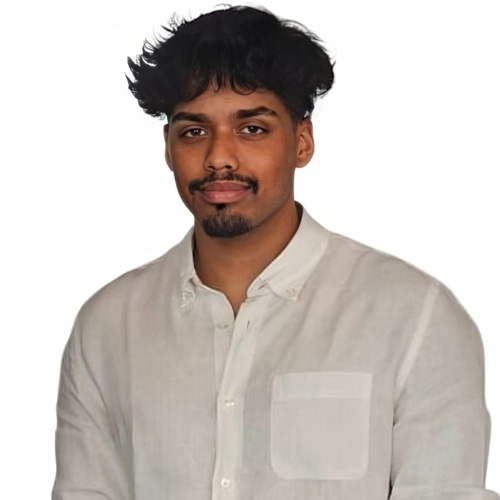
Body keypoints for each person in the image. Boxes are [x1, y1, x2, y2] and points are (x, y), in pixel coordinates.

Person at [52, 5, 498, 499]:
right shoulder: (107, 327)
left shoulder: (413, 317)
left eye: (252, 129)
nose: (219, 157)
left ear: (302, 142)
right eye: (195, 131)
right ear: (167, 147)